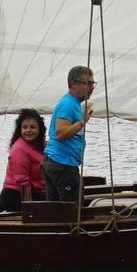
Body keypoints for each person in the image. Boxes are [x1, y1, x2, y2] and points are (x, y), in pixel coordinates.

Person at [42, 66, 94, 206]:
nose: (91, 87)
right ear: (73, 84)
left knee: (54, 208)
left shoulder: (73, 103)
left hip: (56, 162)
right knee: (72, 208)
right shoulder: (68, 105)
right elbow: (60, 134)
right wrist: (82, 122)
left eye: (93, 83)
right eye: (87, 83)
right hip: (62, 164)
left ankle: (52, 226)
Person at [0, 108, 46, 211]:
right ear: (20, 130)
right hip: (16, 196)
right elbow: (23, 184)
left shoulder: (42, 145)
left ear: (40, 129)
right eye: (25, 127)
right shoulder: (19, 149)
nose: (28, 130)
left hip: (37, 192)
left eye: (33, 127)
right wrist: (29, 210)